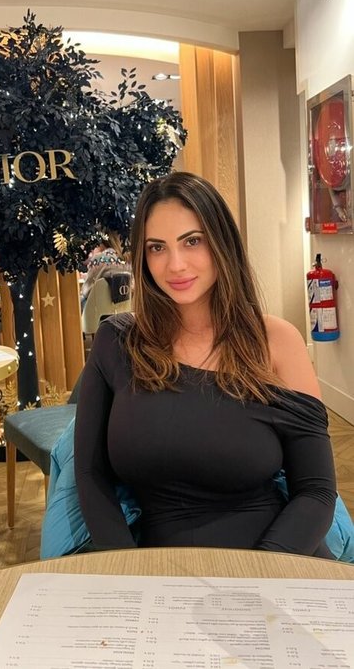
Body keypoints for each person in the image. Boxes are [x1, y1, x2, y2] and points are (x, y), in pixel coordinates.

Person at [74, 171, 337, 557]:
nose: (175, 265)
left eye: (192, 241)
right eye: (157, 248)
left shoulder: (277, 342)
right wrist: (127, 570)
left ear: (221, 242)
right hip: (156, 570)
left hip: (279, 560)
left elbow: (316, 491)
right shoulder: (117, 342)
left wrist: (257, 578)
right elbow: (90, 474)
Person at [80, 236, 130, 312]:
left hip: (99, 314)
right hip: (126, 311)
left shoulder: (99, 259)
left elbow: (86, 290)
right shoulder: (130, 258)